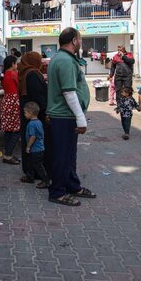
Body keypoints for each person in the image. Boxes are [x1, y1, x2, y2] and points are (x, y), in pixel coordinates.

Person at [46, 27, 96, 207]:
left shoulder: (61, 59)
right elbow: (69, 93)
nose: (81, 42)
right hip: (64, 116)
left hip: (65, 116)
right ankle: (57, 192)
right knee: (62, 156)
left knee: (68, 155)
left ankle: (72, 186)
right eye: (80, 39)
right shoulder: (65, 61)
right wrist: (81, 118)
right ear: (74, 41)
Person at [18, 51, 48, 177]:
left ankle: (29, 170)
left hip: (28, 113)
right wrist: (45, 110)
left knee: (29, 139)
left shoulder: (25, 72)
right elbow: (37, 96)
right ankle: (34, 172)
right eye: (39, 60)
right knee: (34, 141)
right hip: (35, 114)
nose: (41, 62)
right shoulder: (33, 74)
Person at [21, 102, 50, 188]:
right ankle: (30, 177)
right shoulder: (39, 122)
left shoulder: (31, 124)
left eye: (25, 112)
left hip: (35, 149)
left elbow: (33, 137)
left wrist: (28, 146)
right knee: (30, 163)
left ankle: (46, 181)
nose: (24, 114)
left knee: (38, 166)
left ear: (30, 113)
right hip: (39, 148)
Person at [0, 55, 21, 165]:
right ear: (12, 64)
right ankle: (8, 155)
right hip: (13, 102)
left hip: (6, 101)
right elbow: (20, 86)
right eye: (16, 63)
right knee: (16, 130)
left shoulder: (4, 75)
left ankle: (7, 154)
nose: (17, 65)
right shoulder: (13, 74)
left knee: (8, 130)